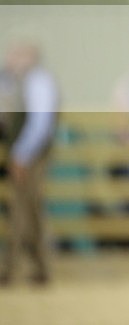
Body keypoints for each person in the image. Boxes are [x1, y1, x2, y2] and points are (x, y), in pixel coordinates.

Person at [0, 41, 59, 285]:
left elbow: (39, 125)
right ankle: (38, 267)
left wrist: (21, 155)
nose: (11, 58)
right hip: (25, 154)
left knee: (22, 210)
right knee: (28, 210)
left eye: (17, 54)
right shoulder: (19, 82)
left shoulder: (38, 82)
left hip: (30, 156)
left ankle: (10, 268)